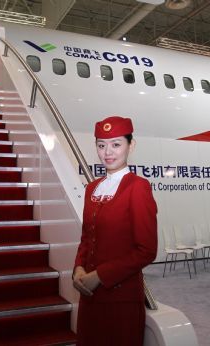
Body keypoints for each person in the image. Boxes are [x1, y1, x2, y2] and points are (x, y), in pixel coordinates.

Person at [73, 116, 158, 346]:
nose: (107, 152)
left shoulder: (138, 187)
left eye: (116, 144)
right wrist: (79, 268)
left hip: (120, 299)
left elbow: (146, 250)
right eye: (101, 145)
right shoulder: (93, 188)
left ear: (132, 145)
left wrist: (99, 276)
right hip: (89, 296)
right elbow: (86, 238)